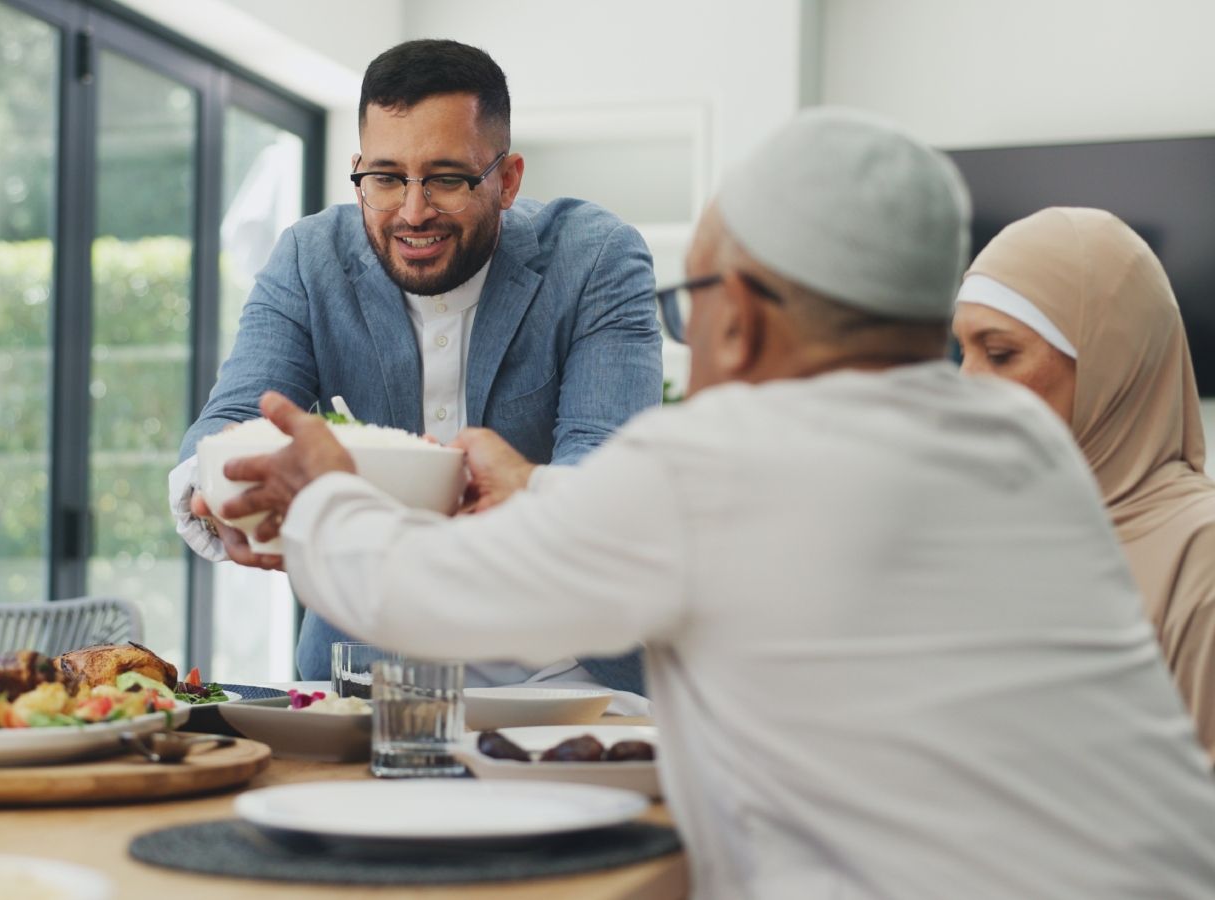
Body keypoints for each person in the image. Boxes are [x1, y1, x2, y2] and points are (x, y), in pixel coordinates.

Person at [212, 110, 1215, 898]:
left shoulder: (725, 461)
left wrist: (326, 496)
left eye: (695, 290)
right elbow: (759, 545)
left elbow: (417, 596)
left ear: (745, 314)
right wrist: (539, 492)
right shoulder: (1023, 454)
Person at [171, 40, 660, 694]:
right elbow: (227, 425)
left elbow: (604, 470)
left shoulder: (594, 258)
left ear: (507, 179)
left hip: (569, 677)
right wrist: (220, 496)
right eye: (385, 177)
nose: (412, 211)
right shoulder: (309, 260)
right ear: (358, 170)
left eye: (447, 178)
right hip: (364, 678)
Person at [954, 207, 1215, 757]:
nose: (965, 386)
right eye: (963, 352)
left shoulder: (1200, 555)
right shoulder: (994, 538)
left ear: (1108, 364)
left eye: (1000, 355)